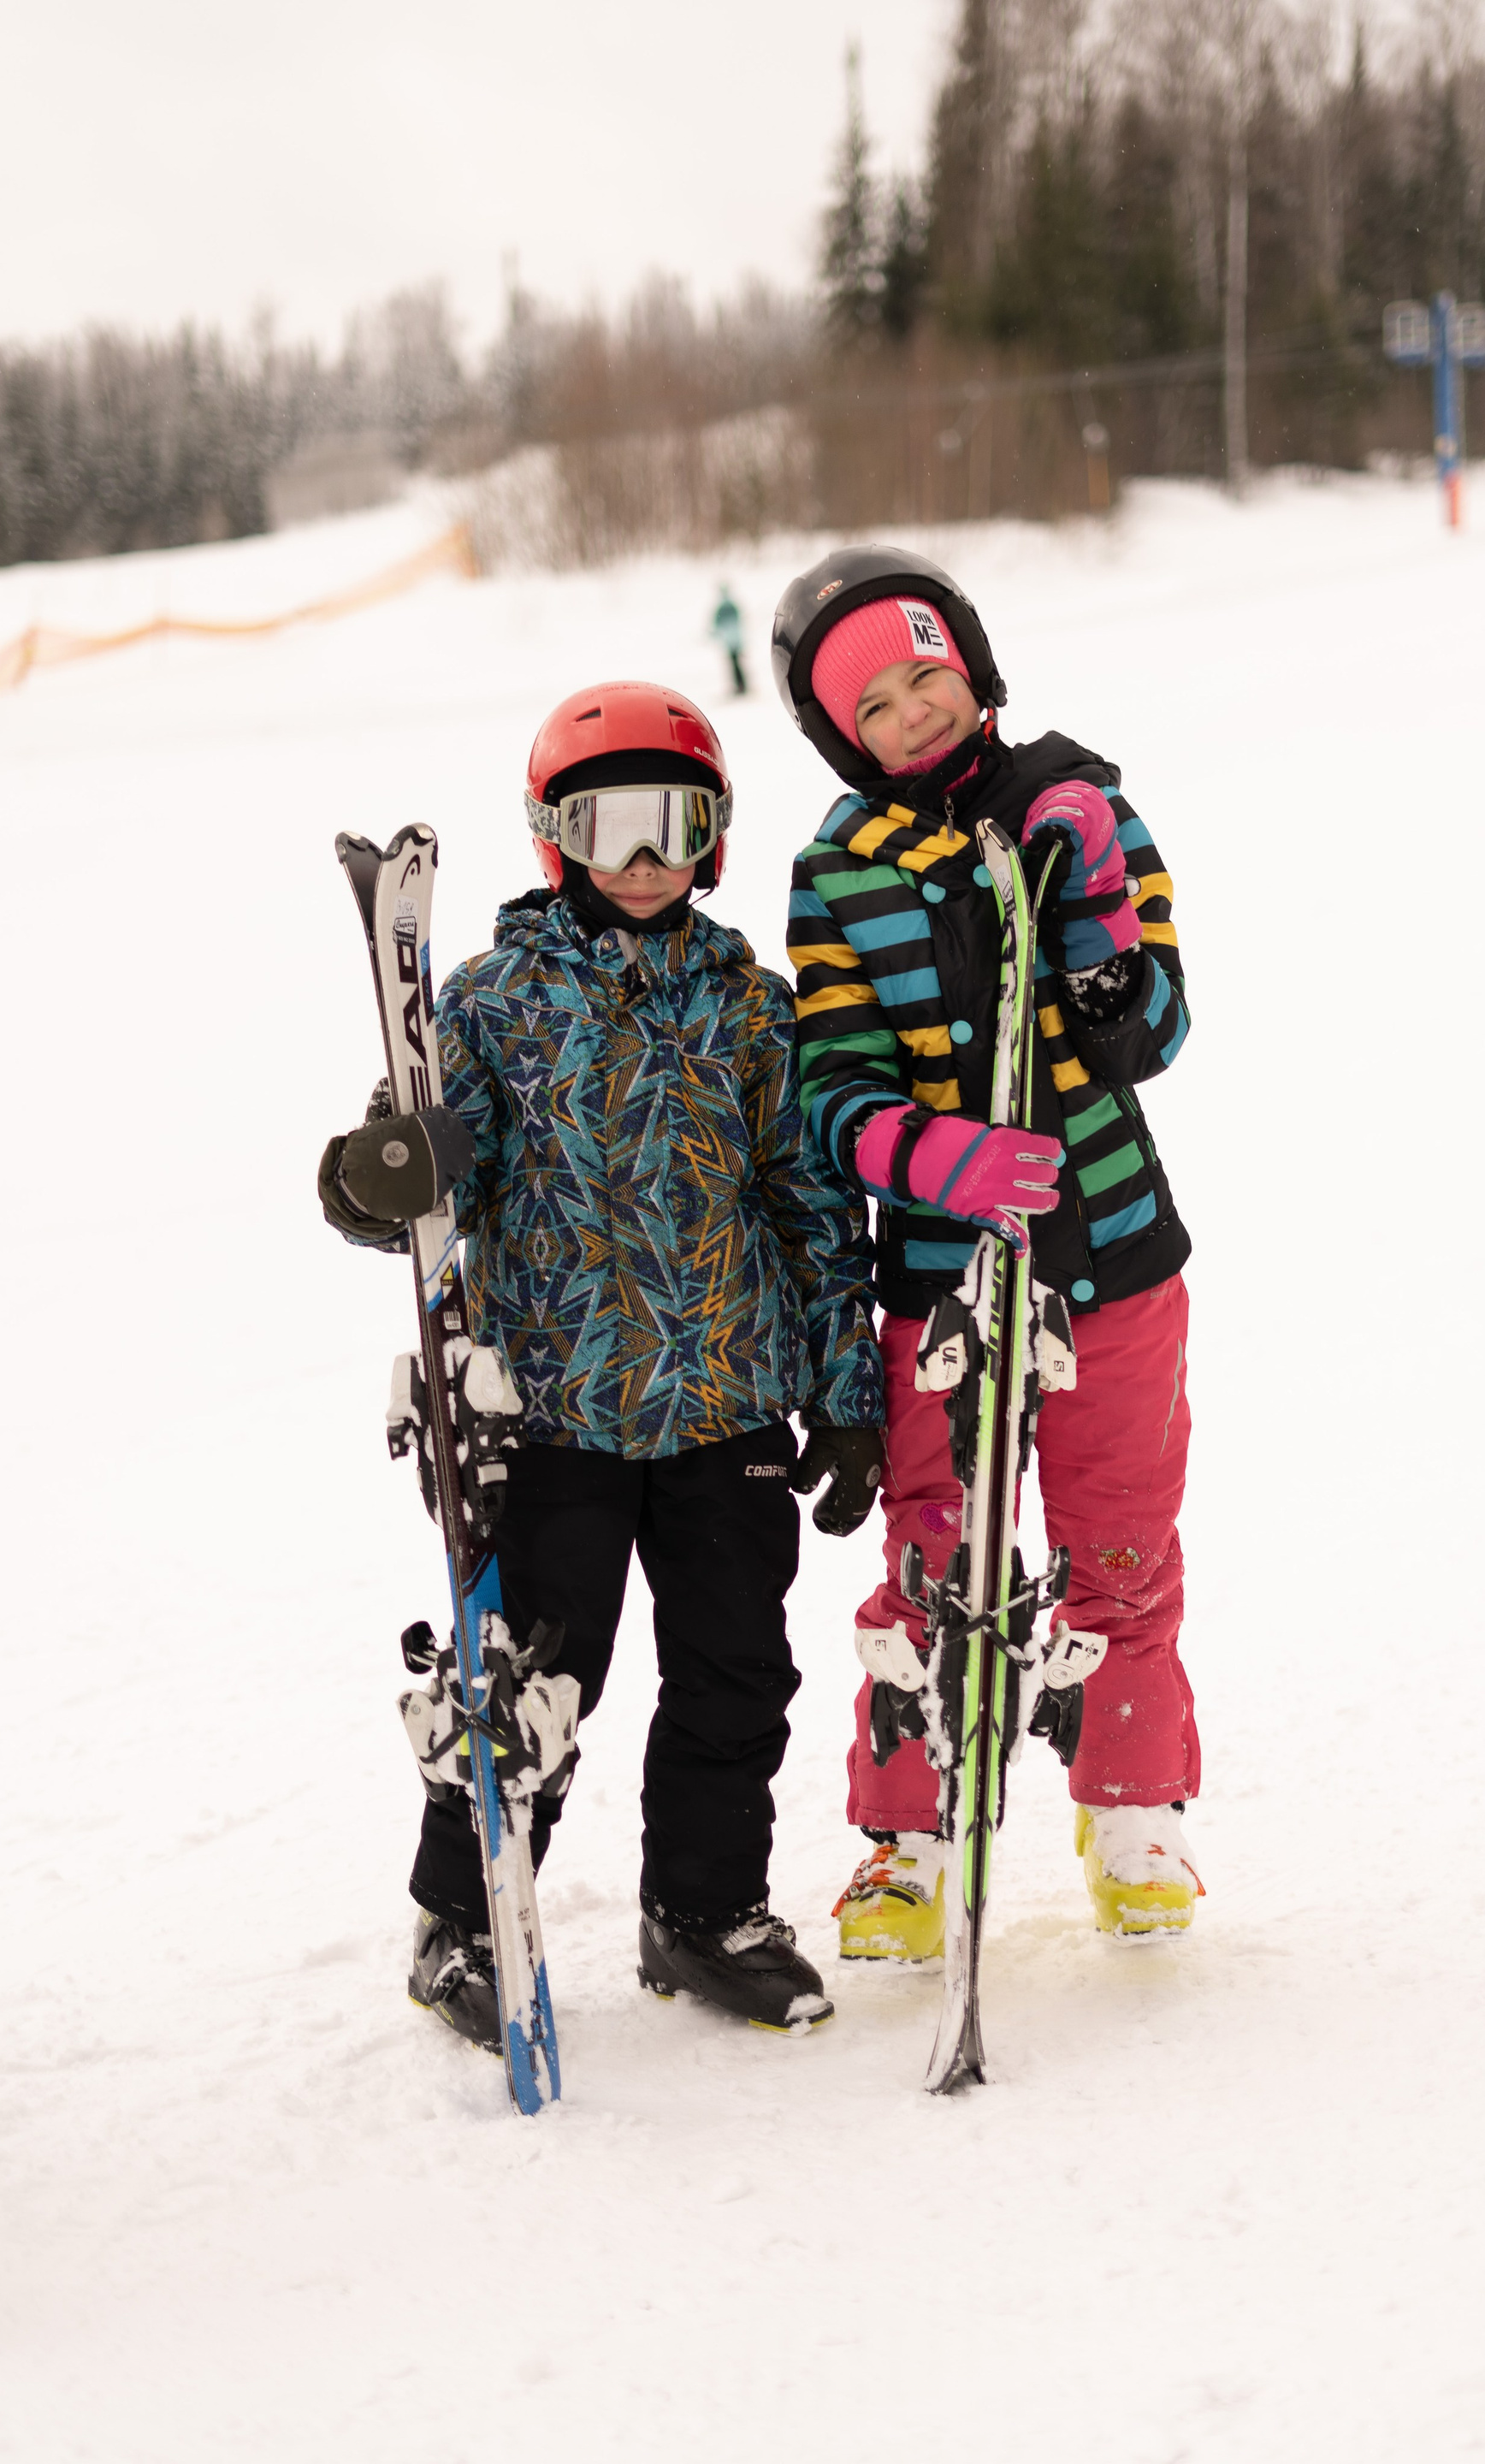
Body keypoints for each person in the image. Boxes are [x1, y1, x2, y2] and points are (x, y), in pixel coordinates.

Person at [319, 680, 884, 2045]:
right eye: (608, 825)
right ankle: (464, 1919)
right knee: (530, 1688)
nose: (642, 859)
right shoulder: (492, 1003)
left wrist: (846, 1395)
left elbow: (811, 1206)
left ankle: (703, 1910)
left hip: (727, 1409)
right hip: (552, 1418)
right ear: (554, 836)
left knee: (738, 1673)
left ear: (714, 836)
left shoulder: (755, 1007)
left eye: (673, 825)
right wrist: (378, 1174)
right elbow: (417, 1191)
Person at [771, 548, 1203, 1958]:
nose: (913, 714)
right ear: (841, 735)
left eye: (927, 678)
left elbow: (1156, 1033)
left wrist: (1101, 919)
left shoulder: (1079, 804)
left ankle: (1132, 1808)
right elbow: (831, 1091)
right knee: (935, 1550)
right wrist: (928, 1156)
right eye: (874, 706)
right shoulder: (840, 872)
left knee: (1119, 1541)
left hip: (1111, 1252)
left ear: (971, 665)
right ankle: (907, 1836)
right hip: (941, 1278)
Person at [712, 585, 748, 695]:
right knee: (737, 664)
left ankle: (740, 686)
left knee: (735, 665)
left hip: (730, 641)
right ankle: (742, 686)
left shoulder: (722, 607)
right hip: (735, 640)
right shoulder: (732, 606)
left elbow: (718, 624)